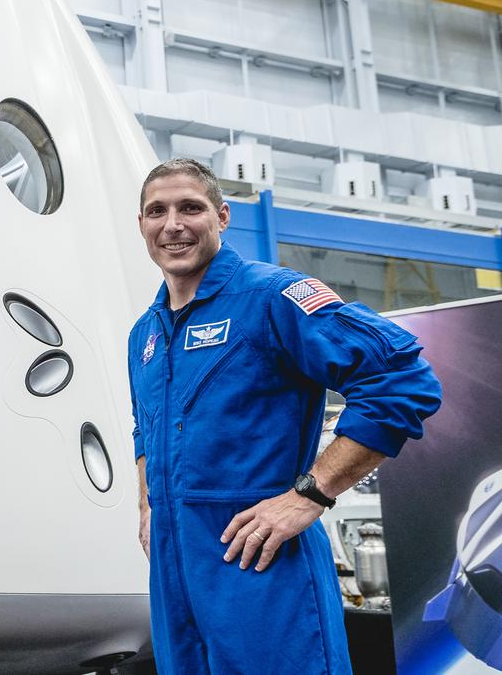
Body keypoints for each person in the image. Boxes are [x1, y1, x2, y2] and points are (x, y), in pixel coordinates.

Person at [128, 159, 440, 674]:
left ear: (222, 217)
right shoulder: (146, 334)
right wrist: (147, 507)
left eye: (191, 208)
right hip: (174, 570)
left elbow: (401, 379)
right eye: (157, 211)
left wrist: (310, 495)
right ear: (141, 225)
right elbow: (145, 427)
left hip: (262, 564)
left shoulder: (272, 297)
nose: (173, 224)